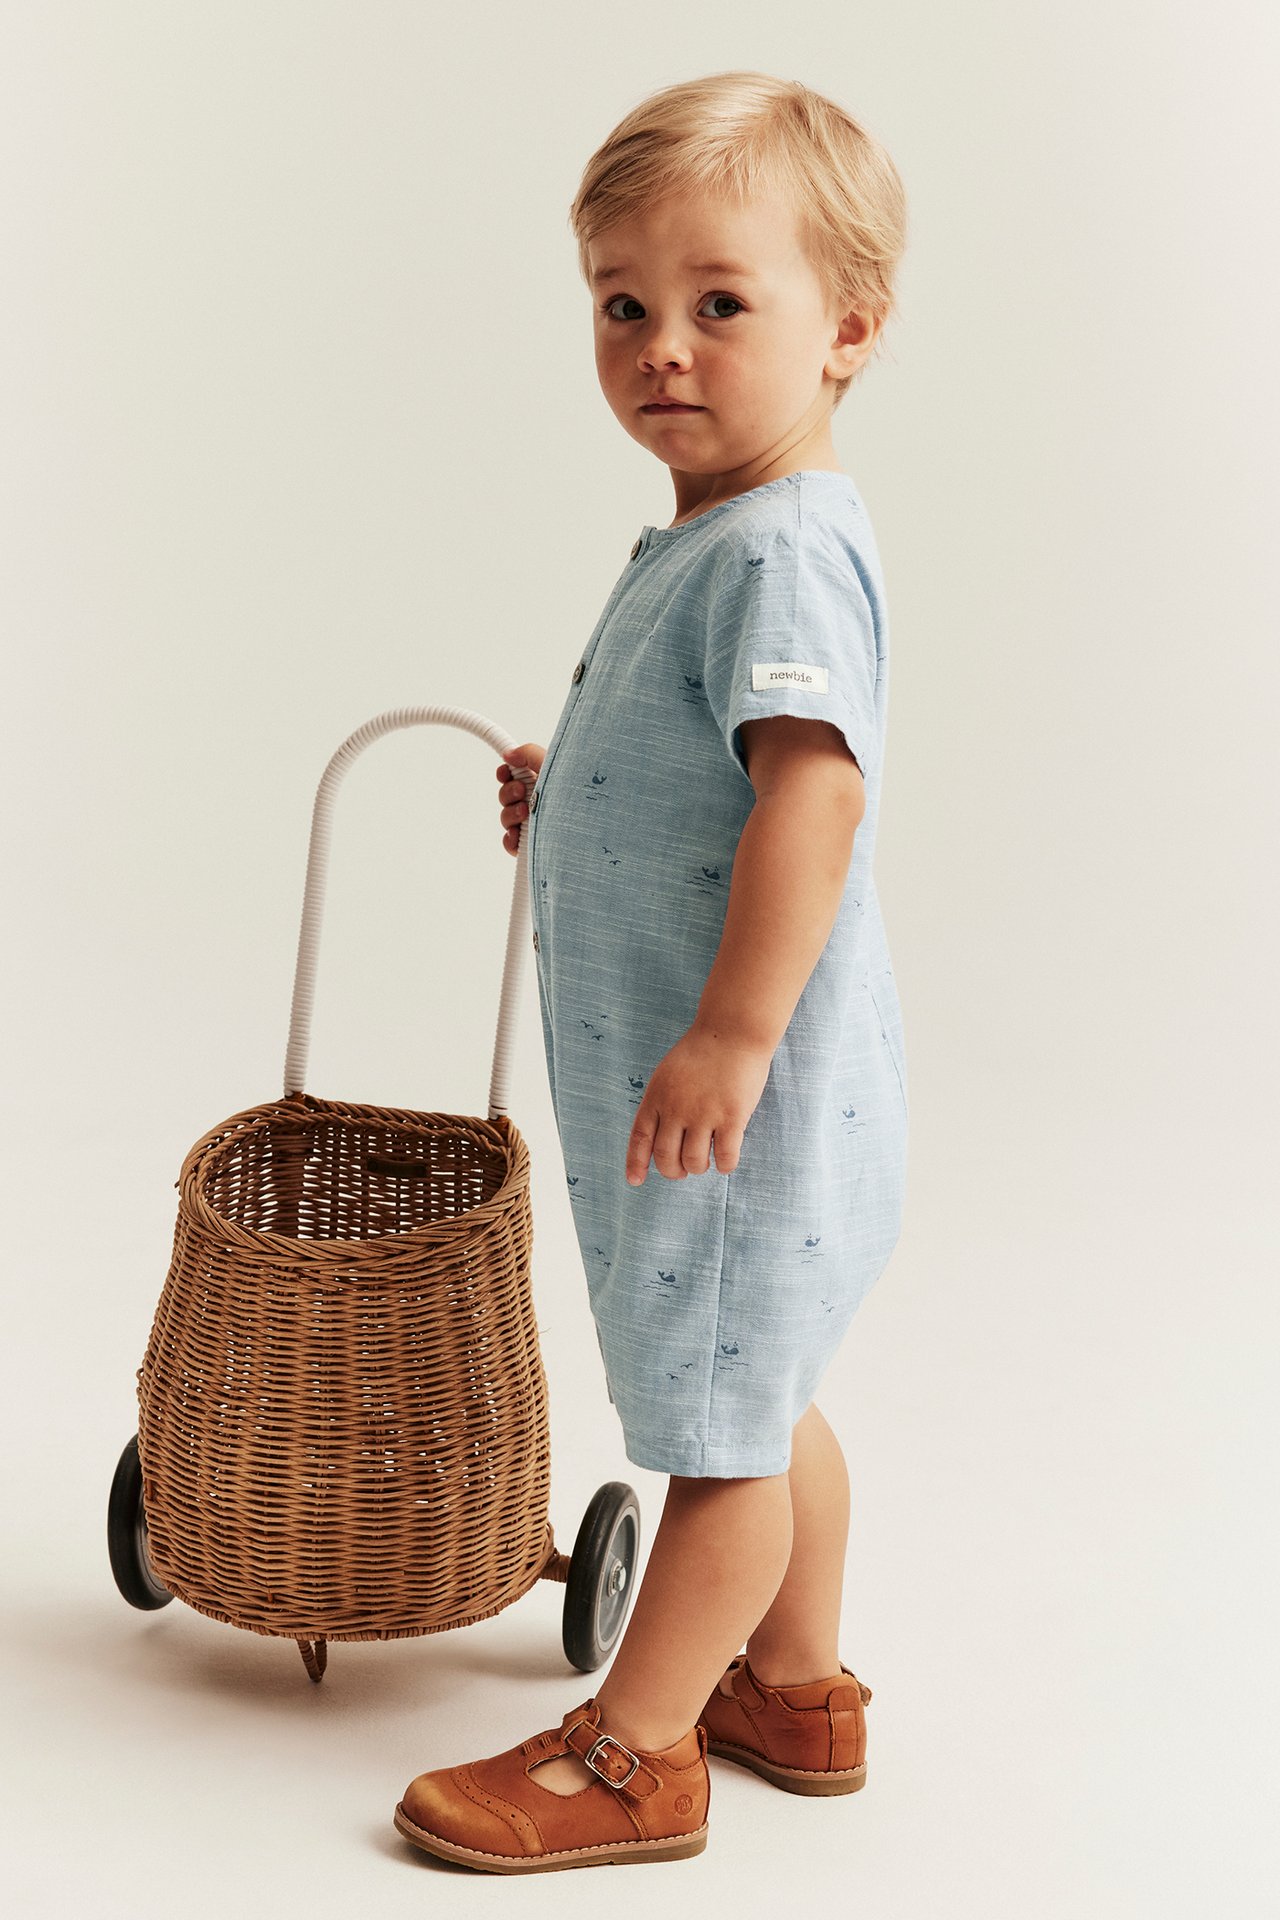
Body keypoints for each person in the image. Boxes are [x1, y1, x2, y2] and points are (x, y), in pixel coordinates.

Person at [395, 69, 910, 1875]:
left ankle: (638, 1750)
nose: (660, 349)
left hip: (731, 1095)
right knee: (756, 1393)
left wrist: (733, 1031)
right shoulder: (722, 529)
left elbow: (813, 795)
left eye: (719, 304)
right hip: (740, 1097)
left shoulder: (771, 549)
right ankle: (798, 1682)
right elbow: (714, 768)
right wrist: (588, 787)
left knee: (716, 1439)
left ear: (846, 327)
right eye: (623, 306)